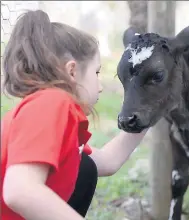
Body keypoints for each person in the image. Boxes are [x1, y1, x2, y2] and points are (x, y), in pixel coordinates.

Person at [0, 10, 148, 220]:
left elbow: (107, 161)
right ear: (72, 72)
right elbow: (19, 190)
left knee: (85, 168)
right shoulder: (51, 103)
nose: (100, 86)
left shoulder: (47, 108)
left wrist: (148, 110)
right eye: (96, 73)